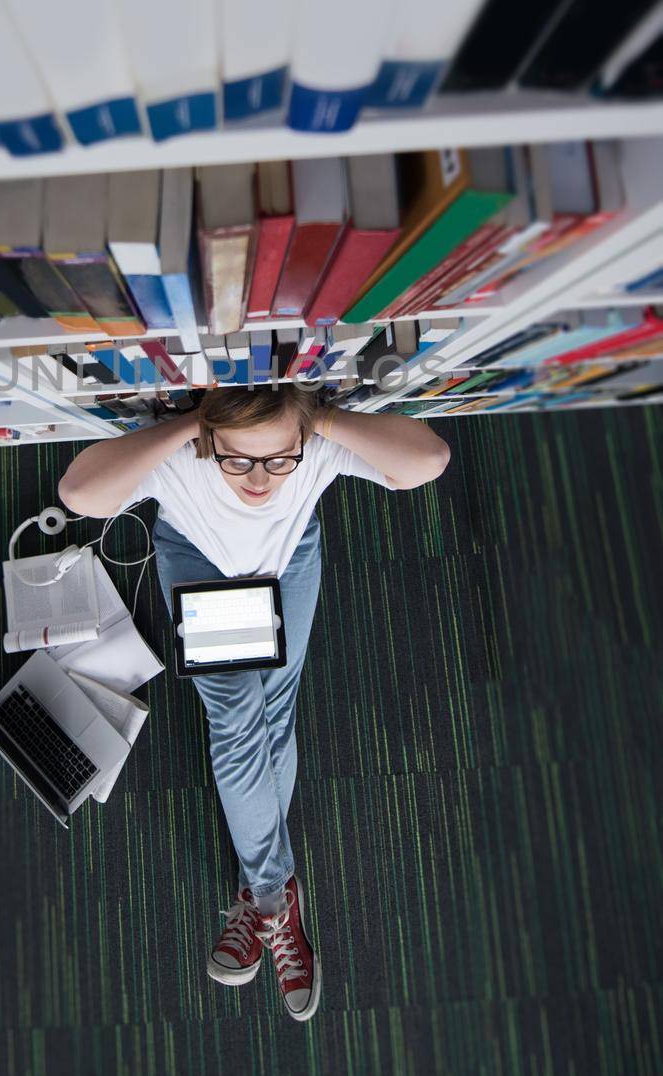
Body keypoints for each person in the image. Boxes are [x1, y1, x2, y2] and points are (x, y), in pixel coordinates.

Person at [58, 385, 450, 1021]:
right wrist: (190, 427)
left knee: (275, 712)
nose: (260, 479)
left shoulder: (313, 444)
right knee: (237, 721)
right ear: (212, 443)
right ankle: (272, 899)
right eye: (238, 460)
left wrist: (316, 419)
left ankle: (260, 889)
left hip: (287, 561)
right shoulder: (187, 453)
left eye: (278, 460)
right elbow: (79, 495)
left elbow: (427, 461)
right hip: (199, 563)